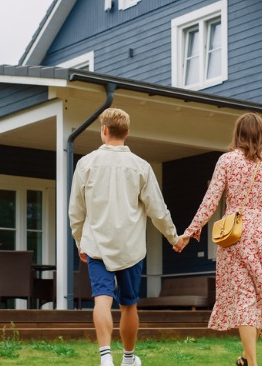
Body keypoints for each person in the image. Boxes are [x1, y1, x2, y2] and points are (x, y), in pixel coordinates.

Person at [173, 112, 262, 366]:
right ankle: (247, 358)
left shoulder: (226, 161)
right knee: (260, 296)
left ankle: (250, 362)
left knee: (245, 299)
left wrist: (189, 231)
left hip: (235, 235)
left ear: (238, 134)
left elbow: (211, 200)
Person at [69, 108, 181, 366]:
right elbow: (158, 210)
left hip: (96, 245)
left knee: (102, 300)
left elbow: (76, 211)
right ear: (127, 133)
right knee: (129, 305)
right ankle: (128, 359)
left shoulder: (86, 164)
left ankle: (105, 357)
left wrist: (79, 240)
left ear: (104, 130)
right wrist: (174, 238)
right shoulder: (141, 167)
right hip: (130, 247)